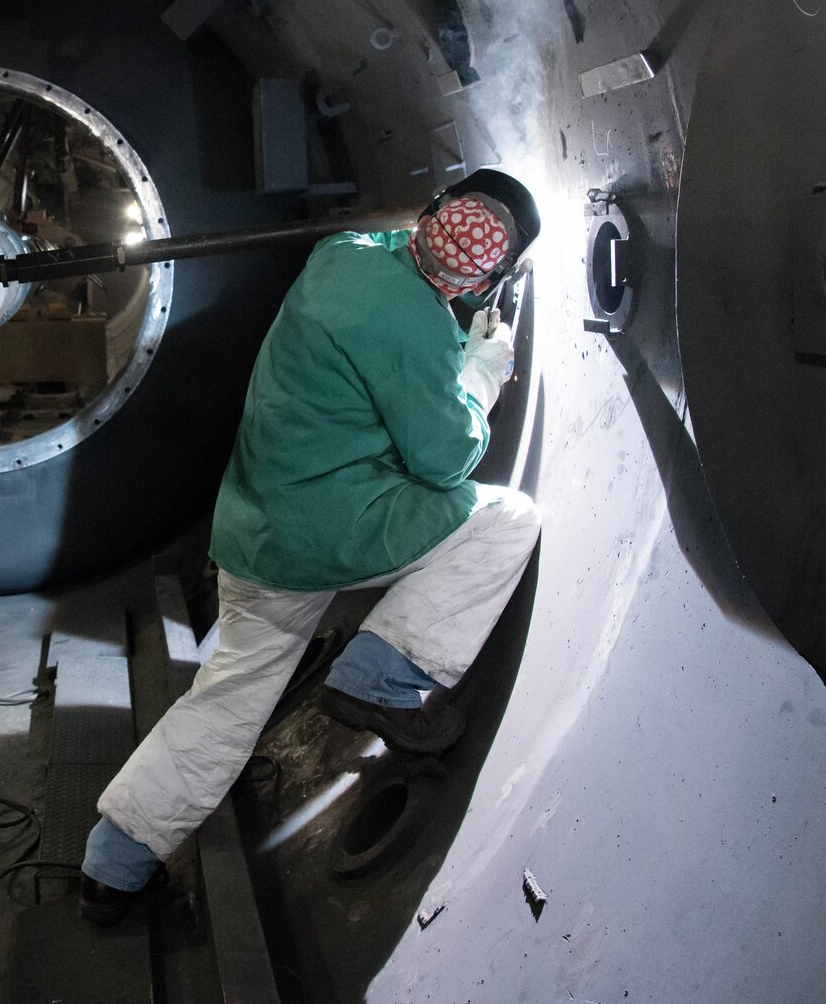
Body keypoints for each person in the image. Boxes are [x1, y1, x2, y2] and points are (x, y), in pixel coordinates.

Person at [78, 170, 544, 926]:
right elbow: (443, 455)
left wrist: (447, 334)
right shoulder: (421, 323)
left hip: (256, 532)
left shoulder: (343, 253)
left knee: (226, 699)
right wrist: (485, 368)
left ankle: (116, 861)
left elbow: (381, 346)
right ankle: (384, 676)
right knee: (507, 517)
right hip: (334, 532)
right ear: (490, 275)